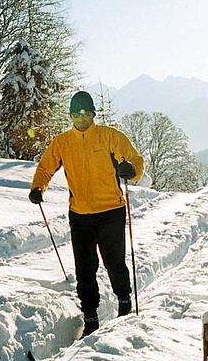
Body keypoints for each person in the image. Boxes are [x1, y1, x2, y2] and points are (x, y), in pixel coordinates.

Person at [28, 91, 144, 337]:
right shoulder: (62, 142)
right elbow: (46, 167)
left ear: (93, 113)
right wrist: (38, 187)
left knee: (115, 263)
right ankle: (90, 316)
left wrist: (131, 169)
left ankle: (124, 301)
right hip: (80, 214)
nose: (80, 117)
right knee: (84, 268)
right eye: (75, 113)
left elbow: (134, 159)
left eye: (85, 112)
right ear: (70, 116)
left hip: (111, 210)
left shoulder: (109, 136)